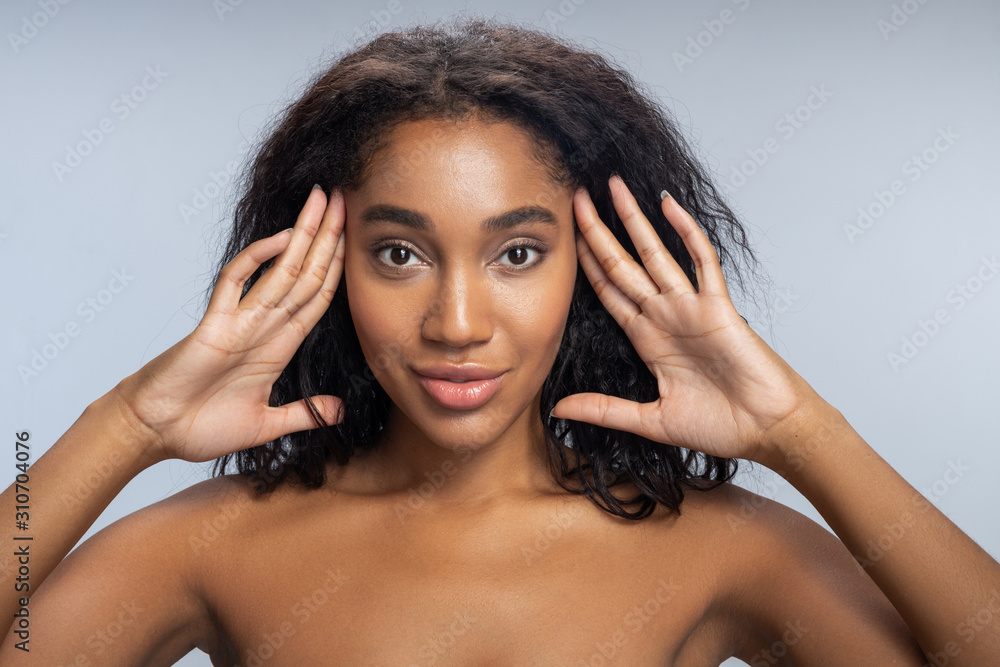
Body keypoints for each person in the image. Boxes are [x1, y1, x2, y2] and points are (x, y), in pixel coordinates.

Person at [3, 16, 998, 666]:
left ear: (596, 266)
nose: (458, 323)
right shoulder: (214, 542)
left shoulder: (717, 546)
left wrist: (798, 428)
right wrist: (128, 422)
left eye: (517, 253)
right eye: (399, 254)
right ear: (326, 266)